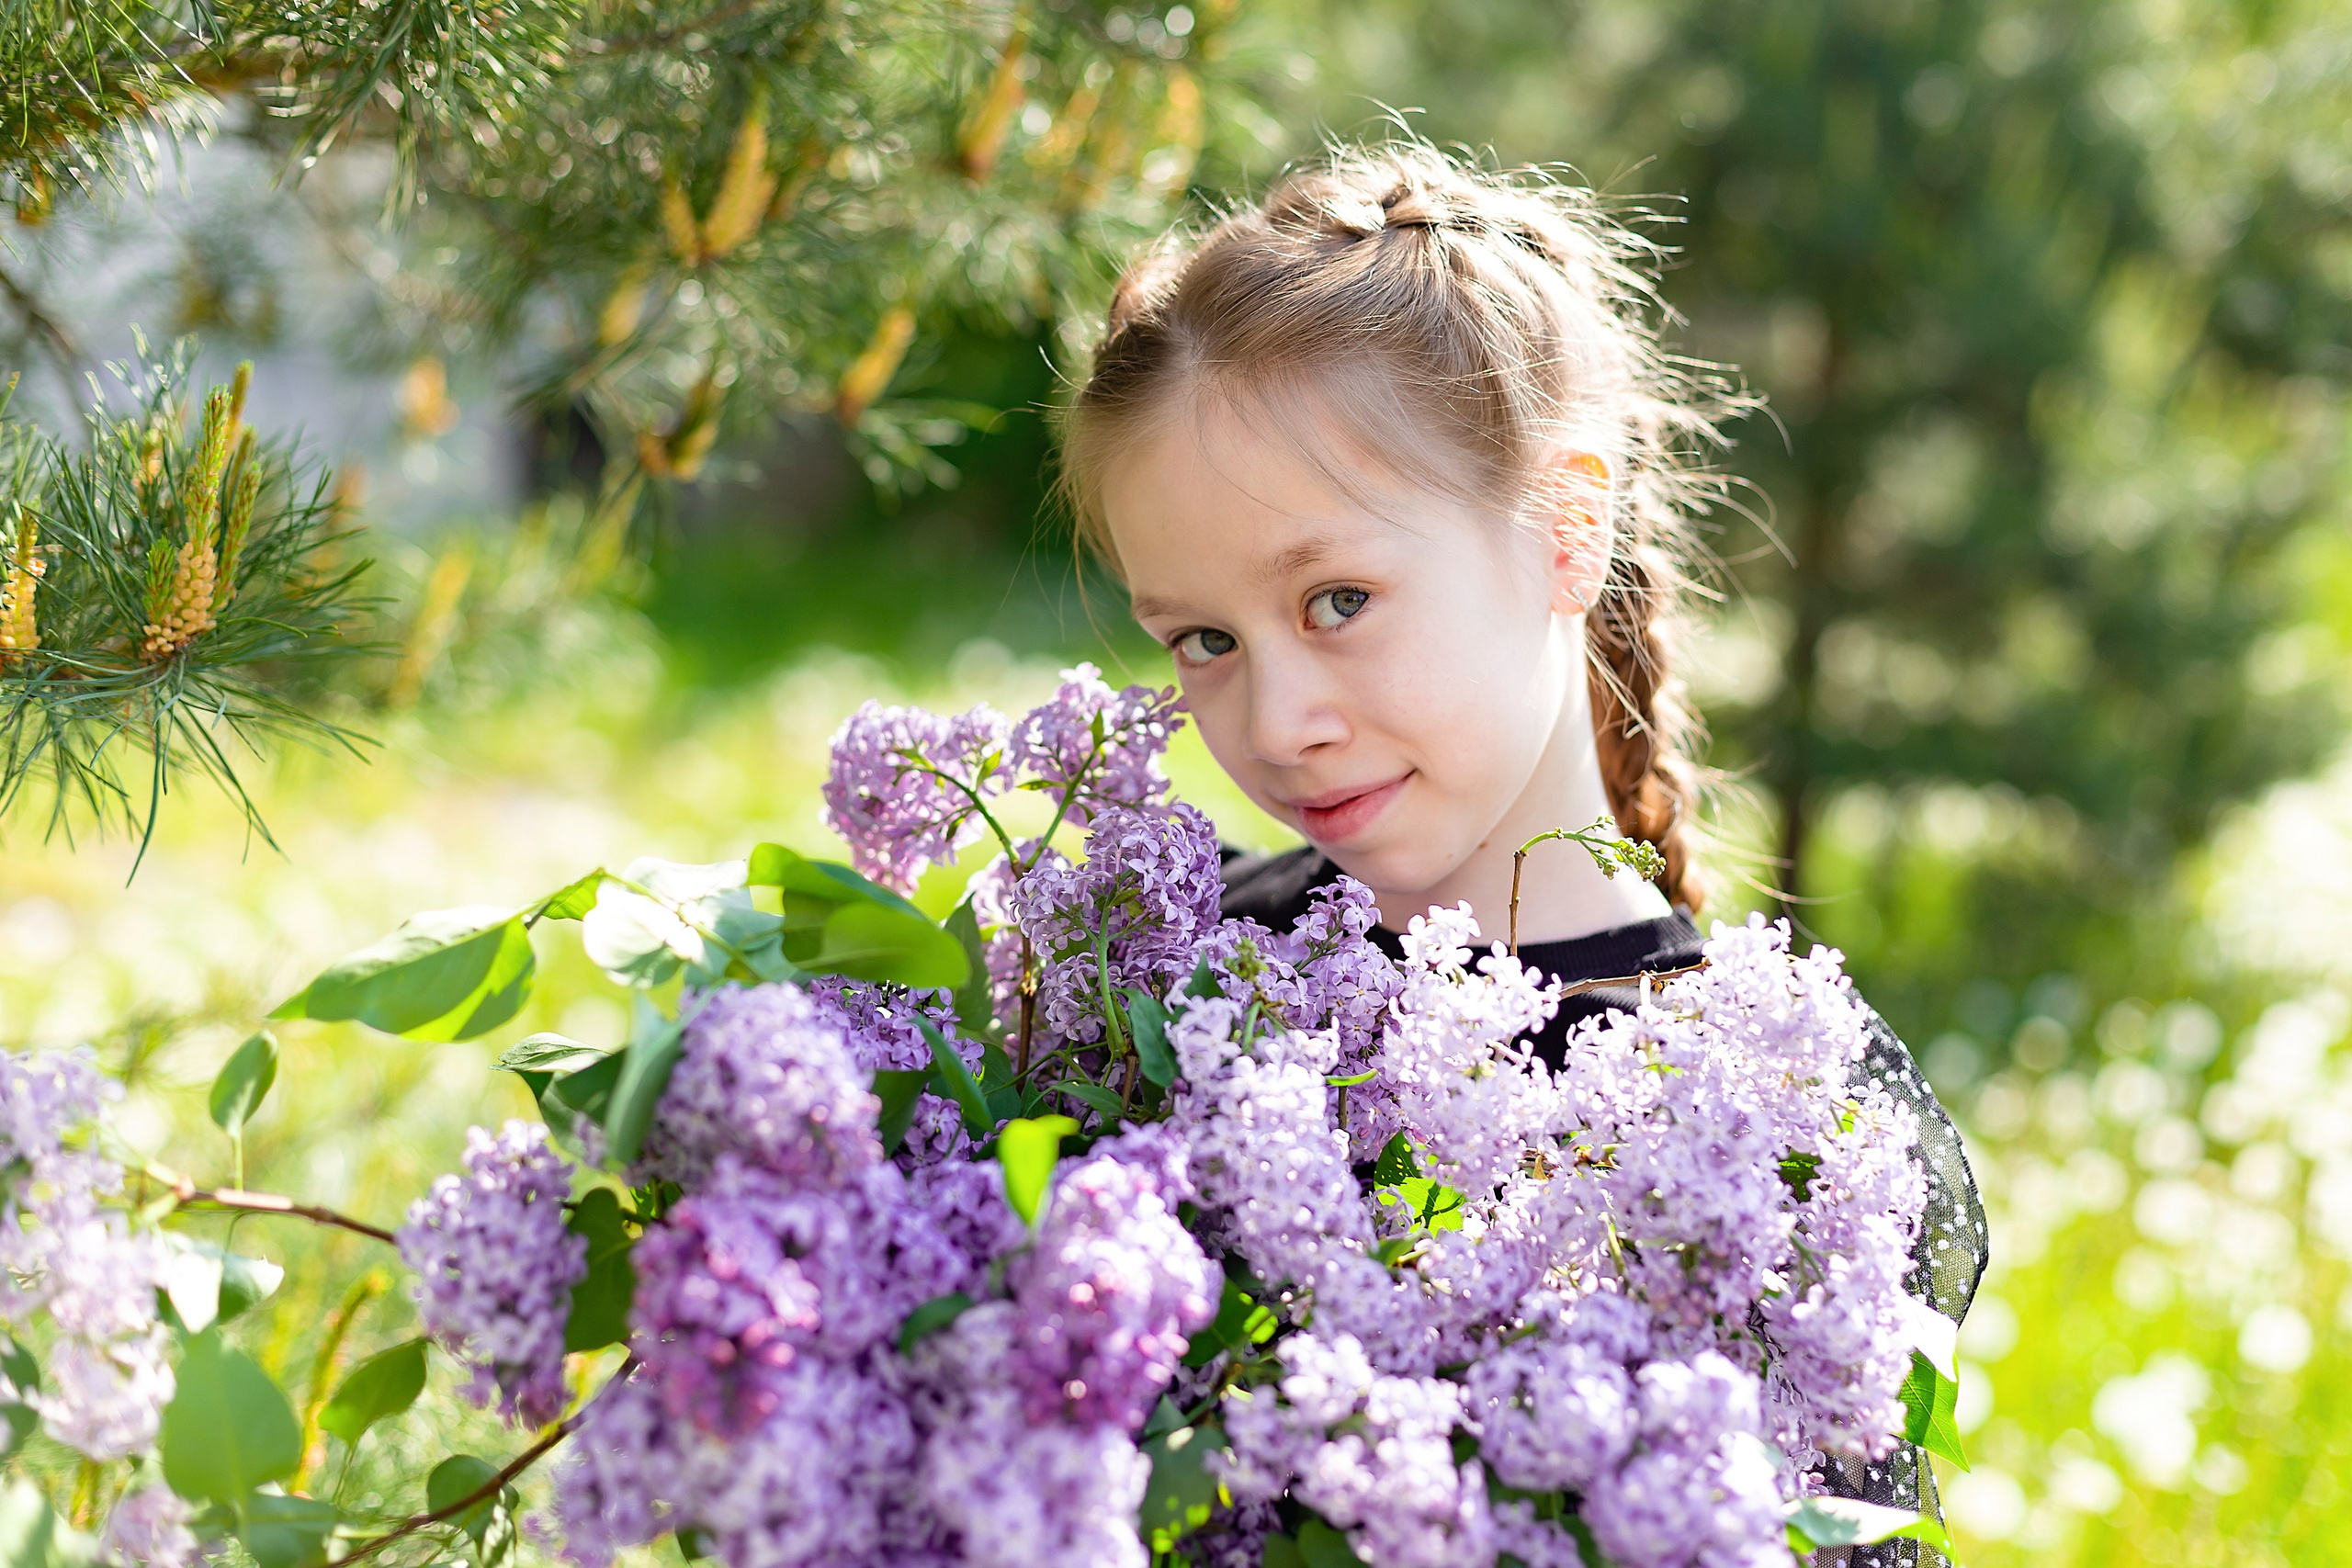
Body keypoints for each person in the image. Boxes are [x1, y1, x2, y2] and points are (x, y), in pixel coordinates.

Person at [1054, 140, 1988, 1567]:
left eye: (1338, 599)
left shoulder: (1780, 1116)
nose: (1278, 720)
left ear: (1566, 527)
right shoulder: (1175, 986)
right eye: (1205, 639)